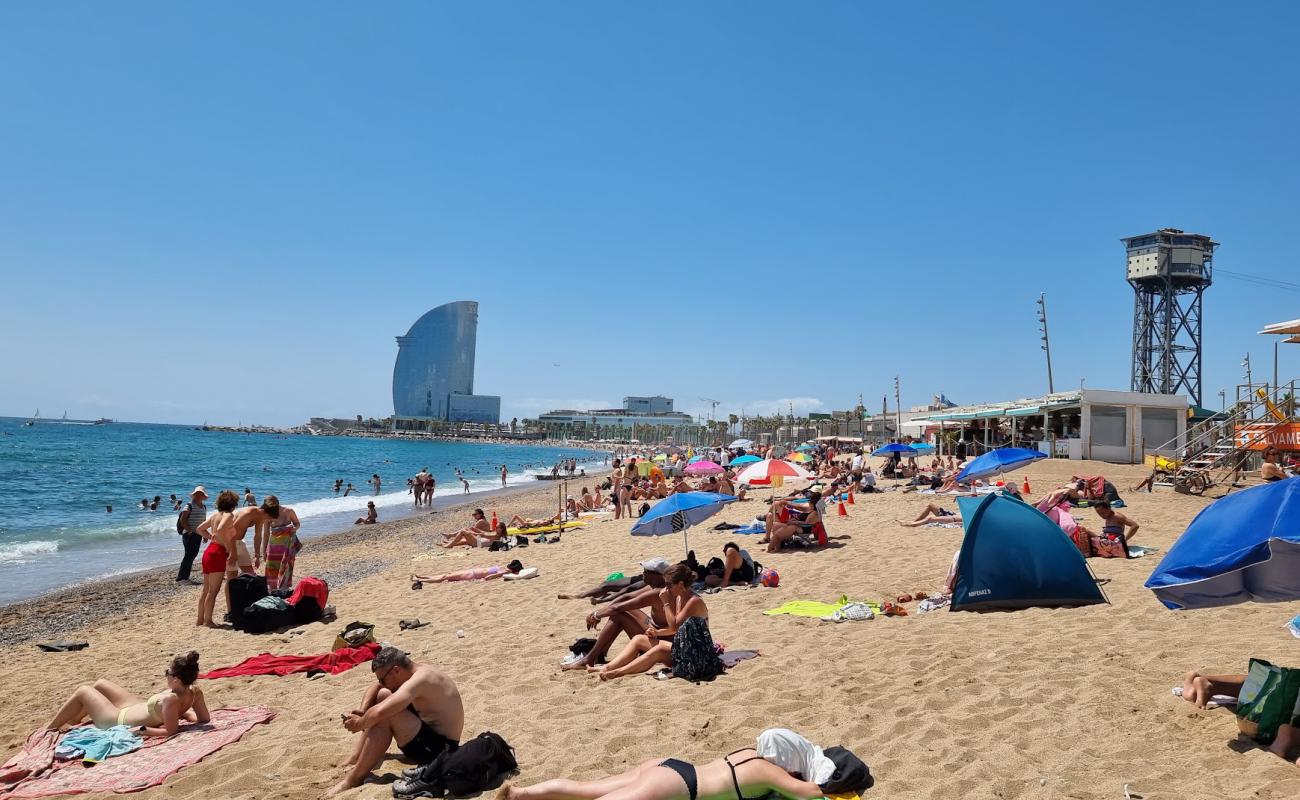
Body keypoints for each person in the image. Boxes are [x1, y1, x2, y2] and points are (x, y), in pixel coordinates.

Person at [325, 646, 464, 799]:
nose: (381, 682)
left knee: (384, 713)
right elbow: (376, 687)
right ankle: (355, 758)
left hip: (440, 751)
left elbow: (379, 712)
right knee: (383, 694)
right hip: (431, 735)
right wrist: (363, 711)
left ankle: (353, 780)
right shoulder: (415, 670)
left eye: (382, 678)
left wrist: (359, 724)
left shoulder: (420, 680)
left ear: (396, 670)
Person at [589, 564, 716, 681]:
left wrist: (665, 603)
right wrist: (657, 631)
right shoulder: (680, 597)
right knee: (639, 639)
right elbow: (675, 629)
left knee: (659, 649)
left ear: (681, 584)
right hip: (685, 646)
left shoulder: (693, 601)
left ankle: (617, 673)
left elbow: (675, 626)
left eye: (669, 585)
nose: (666, 589)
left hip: (697, 654)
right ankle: (608, 667)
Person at [45, 652, 210, 737]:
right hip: (133, 707)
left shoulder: (170, 699)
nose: (166, 675)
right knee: (100, 684)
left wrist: (144, 731)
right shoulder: (195, 692)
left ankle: (49, 729)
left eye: (168, 672)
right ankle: (75, 720)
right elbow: (204, 719)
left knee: (83, 690)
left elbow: (171, 731)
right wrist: (186, 713)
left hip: (118, 720)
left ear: (176, 679)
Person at [564, 559, 671, 671]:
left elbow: (620, 607)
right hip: (656, 630)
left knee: (618, 615)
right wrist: (603, 610)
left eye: (647, 571)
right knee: (621, 611)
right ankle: (600, 653)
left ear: (658, 576)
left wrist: (597, 615)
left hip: (662, 641)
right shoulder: (655, 587)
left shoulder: (658, 592)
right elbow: (627, 597)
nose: (643, 573)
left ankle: (589, 659)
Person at [194, 489, 239, 627]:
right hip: (218, 553)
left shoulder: (214, 515)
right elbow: (220, 529)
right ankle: (208, 621)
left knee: (206, 590)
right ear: (233, 504)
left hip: (209, 552)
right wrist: (228, 548)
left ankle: (200, 620)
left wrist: (210, 537)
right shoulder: (229, 515)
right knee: (213, 591)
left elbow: (199, 529)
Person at [262, 499, 302, 590]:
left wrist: (294, 529)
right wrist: (263, 551)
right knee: (271, 566)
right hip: (274, 546)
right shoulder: (268, 514)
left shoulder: (289, 511)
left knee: (287, 565)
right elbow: (266, 533)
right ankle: (272, 589)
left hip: (287, 544)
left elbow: (297, 523)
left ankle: (284, 588)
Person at [176, 486, 209, 583]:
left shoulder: (204, 506)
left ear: (203, 496)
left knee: (192, 555)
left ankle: (185, 577)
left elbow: (203, 522)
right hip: (189, 534)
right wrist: (189, 530)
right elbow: (183, 520)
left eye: (201, 494)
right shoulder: (189, 505)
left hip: (198, 534)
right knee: (189, 555)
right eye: (197, 493)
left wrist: (205, 534)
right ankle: (182, 578)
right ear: (194, 495)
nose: (199, 495)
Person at [411, 559, 524, 584]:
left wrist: (485, 579)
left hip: (472, 574)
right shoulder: (504, 569)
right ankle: (423, 577)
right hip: (471, 572)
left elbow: (492, 576)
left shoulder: (504, 572)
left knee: (445, 577)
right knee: (447, 575)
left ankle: (420, 580)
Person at [442, 520, 507, 549]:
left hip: (478, 543)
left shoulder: (497, 535)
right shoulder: (497, 534)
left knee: (463, 532)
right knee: (465, 540)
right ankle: (449, 541)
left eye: (497, 527)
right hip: (479, 541)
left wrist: (473, 533)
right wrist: (476, 529)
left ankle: (450, 545)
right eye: (496, 527)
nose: (496, 528)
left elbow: (483, 535)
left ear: (502, 529)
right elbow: (484, 533)